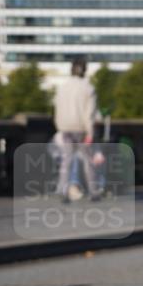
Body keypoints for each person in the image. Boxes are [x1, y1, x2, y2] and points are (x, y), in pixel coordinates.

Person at [53, 58, 102, 203]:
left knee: (66, 161)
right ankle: (93, 191)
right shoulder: (89, 88)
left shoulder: (62, 87)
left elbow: (57, 108)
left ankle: (63, 191)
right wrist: (90, 133)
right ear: (84, 70)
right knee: (88, 161)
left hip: (65, 128)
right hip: (81, 128)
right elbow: (89, 114)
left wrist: (60, 126)